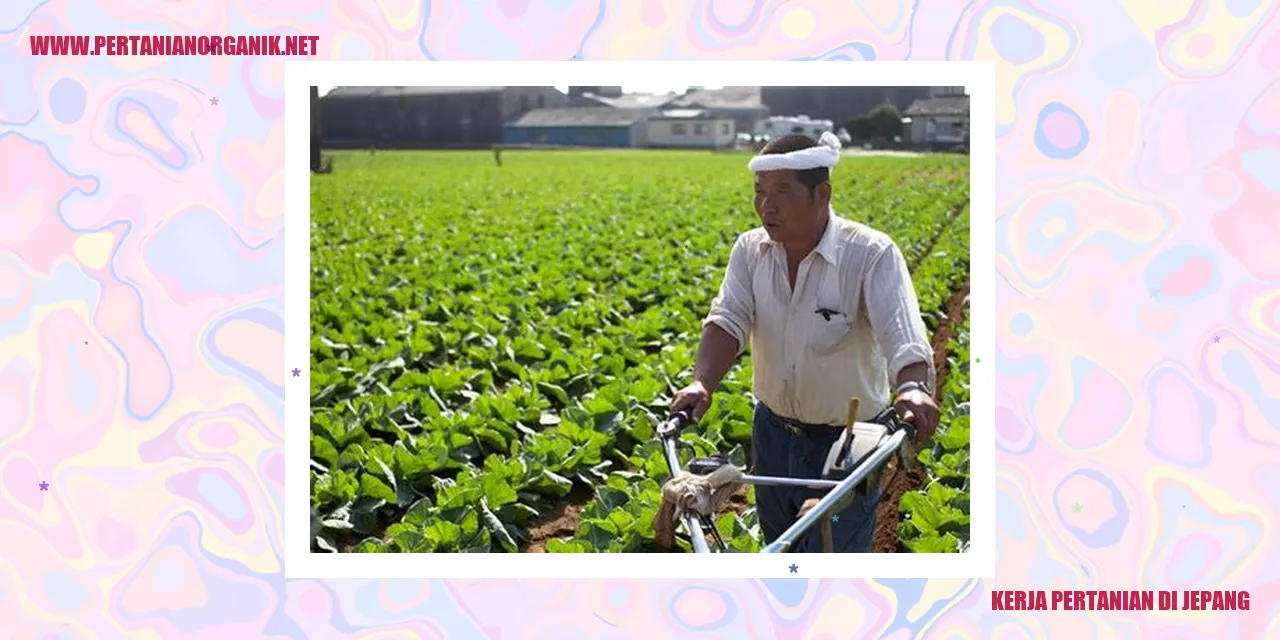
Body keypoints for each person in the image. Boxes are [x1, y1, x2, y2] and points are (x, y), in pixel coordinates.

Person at [669, 131, 939, 553]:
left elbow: (903, 337)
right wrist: (702, 383)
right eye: (759, 192)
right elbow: (728, 319)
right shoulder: (751, 251)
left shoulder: (870, 254)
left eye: (781, 192)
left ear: (822, 194)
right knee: (781, 549)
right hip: (773, 436)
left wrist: (912, 389)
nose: (766, 206)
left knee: (833, 554)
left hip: (846, 448)